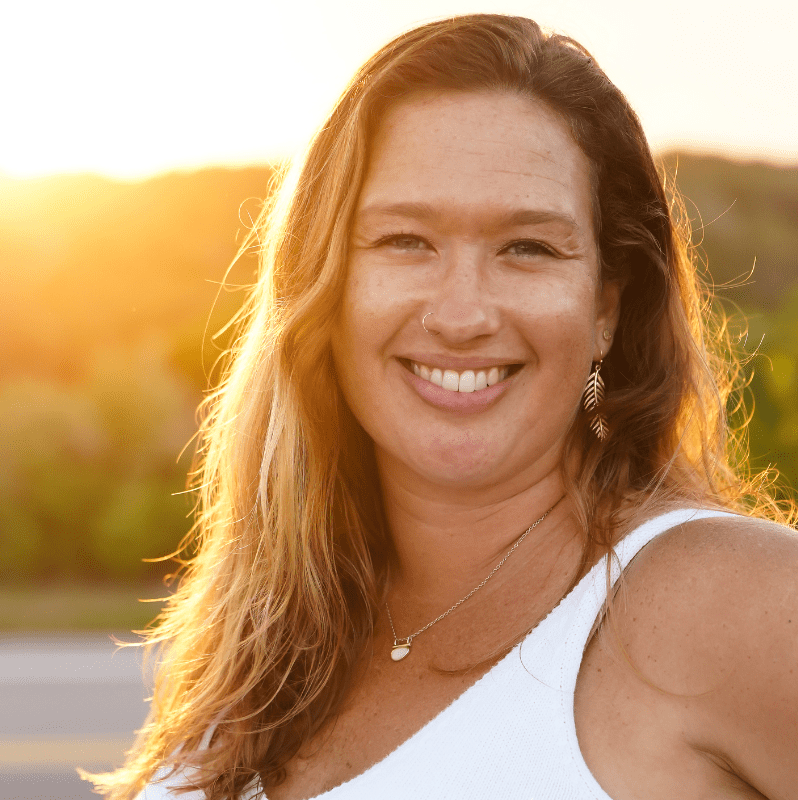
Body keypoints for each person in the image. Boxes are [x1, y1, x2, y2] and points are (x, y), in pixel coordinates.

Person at [88, 13, 798, 800]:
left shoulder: (737, 603)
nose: (462, 315)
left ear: (606, 309)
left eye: (527, 248)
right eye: (405, 241)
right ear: (321, 286)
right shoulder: (263, 642)